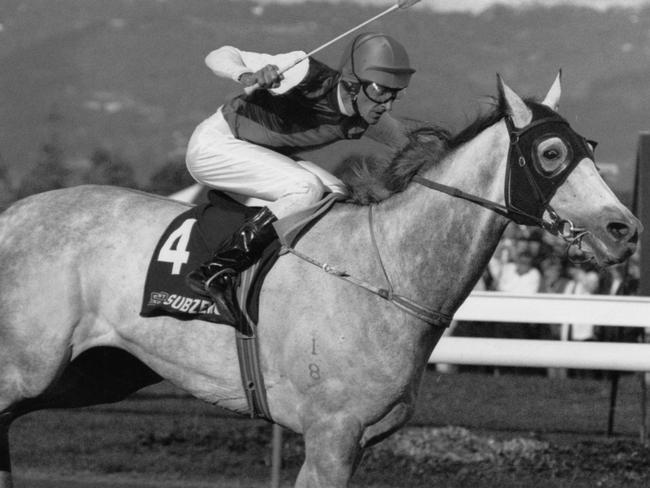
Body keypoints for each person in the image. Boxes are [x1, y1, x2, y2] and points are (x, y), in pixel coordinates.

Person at [184, 32, 419, 310]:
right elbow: (219, 53)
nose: (387, 105)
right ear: (353, 85)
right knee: (306, 187)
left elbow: (412, 142)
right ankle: (214, 271)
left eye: (395, 94)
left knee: (338, 197)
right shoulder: (301, 71)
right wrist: (246, 75)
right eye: (381, 92)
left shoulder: (367, 115)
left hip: (258, 154)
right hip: (215, 146)